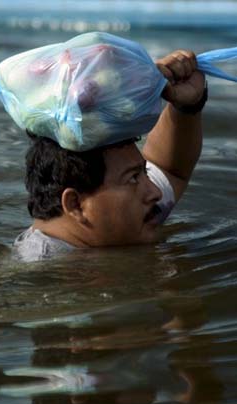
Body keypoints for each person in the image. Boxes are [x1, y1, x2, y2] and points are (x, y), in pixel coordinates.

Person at [14, 50, 207, 262]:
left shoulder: (118, 224)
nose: (155, 192)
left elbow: (170, 169)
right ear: (76, 204)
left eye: (144, 173)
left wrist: (186, 106)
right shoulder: (39, 272)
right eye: (134, 178)